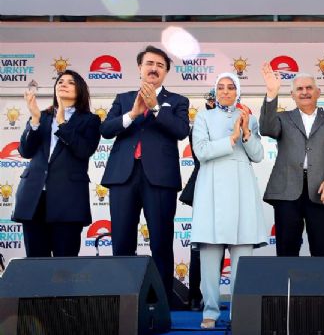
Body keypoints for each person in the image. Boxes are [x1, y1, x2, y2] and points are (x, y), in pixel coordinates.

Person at [100, 45, 190, 302]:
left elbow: (181, 131)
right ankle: (124, 300)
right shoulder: (123, 98)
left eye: (160, 65)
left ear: (166, 72)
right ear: (140, 68)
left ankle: (161, 302)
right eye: (149, 63)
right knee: (122, 241)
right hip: (123, 177)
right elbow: (106, 130)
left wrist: (156, 108)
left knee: (161, 241)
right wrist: (132, 114)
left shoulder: (178, 101)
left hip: (160, 179)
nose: (154, 68)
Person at [190, 72, 268, 329]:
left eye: (231, 87)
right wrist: (231, 138)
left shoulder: (249, 118)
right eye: (221, 87)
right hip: (211, 189)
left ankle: (240, 313)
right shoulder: (203, 117)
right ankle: (210, 312)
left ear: (238, 92)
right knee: (209, 260)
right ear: (215, 92)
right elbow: (201, 151)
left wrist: (245, 133)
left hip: (242, 190)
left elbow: (258, 155)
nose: (225, 91)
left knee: (242, 261)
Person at [259, 67, 324, 256]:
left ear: (318, 92)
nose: (305, 92)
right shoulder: (282, 119)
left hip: (321, 191)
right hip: (287, 192)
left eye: (309, 88)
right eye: (299, 89)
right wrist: (271, 93)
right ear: (292, 95)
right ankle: (288, 278)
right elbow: (266, 128)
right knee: (286, 251)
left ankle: (321, 278)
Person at [12, 70, 101, 257]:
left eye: (70, 82)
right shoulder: (42, 116)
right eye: (60, 81)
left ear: (80, 90)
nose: (63, 84)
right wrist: (34, 119)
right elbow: (25, 151)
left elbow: (84, 150)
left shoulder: (90, 120)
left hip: (68, 200)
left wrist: (62, 123)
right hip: (34, 198)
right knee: (36, 263)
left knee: (65, 265)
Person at [179, 93, 217, 311]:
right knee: (199, 245)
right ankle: (194, 294)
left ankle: (213, 296)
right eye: (211, 100)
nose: (215, 103)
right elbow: (201, 154)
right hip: (202, 188)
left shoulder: (237, 120)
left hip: (228, 189)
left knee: (223, 243)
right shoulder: (200, 124)